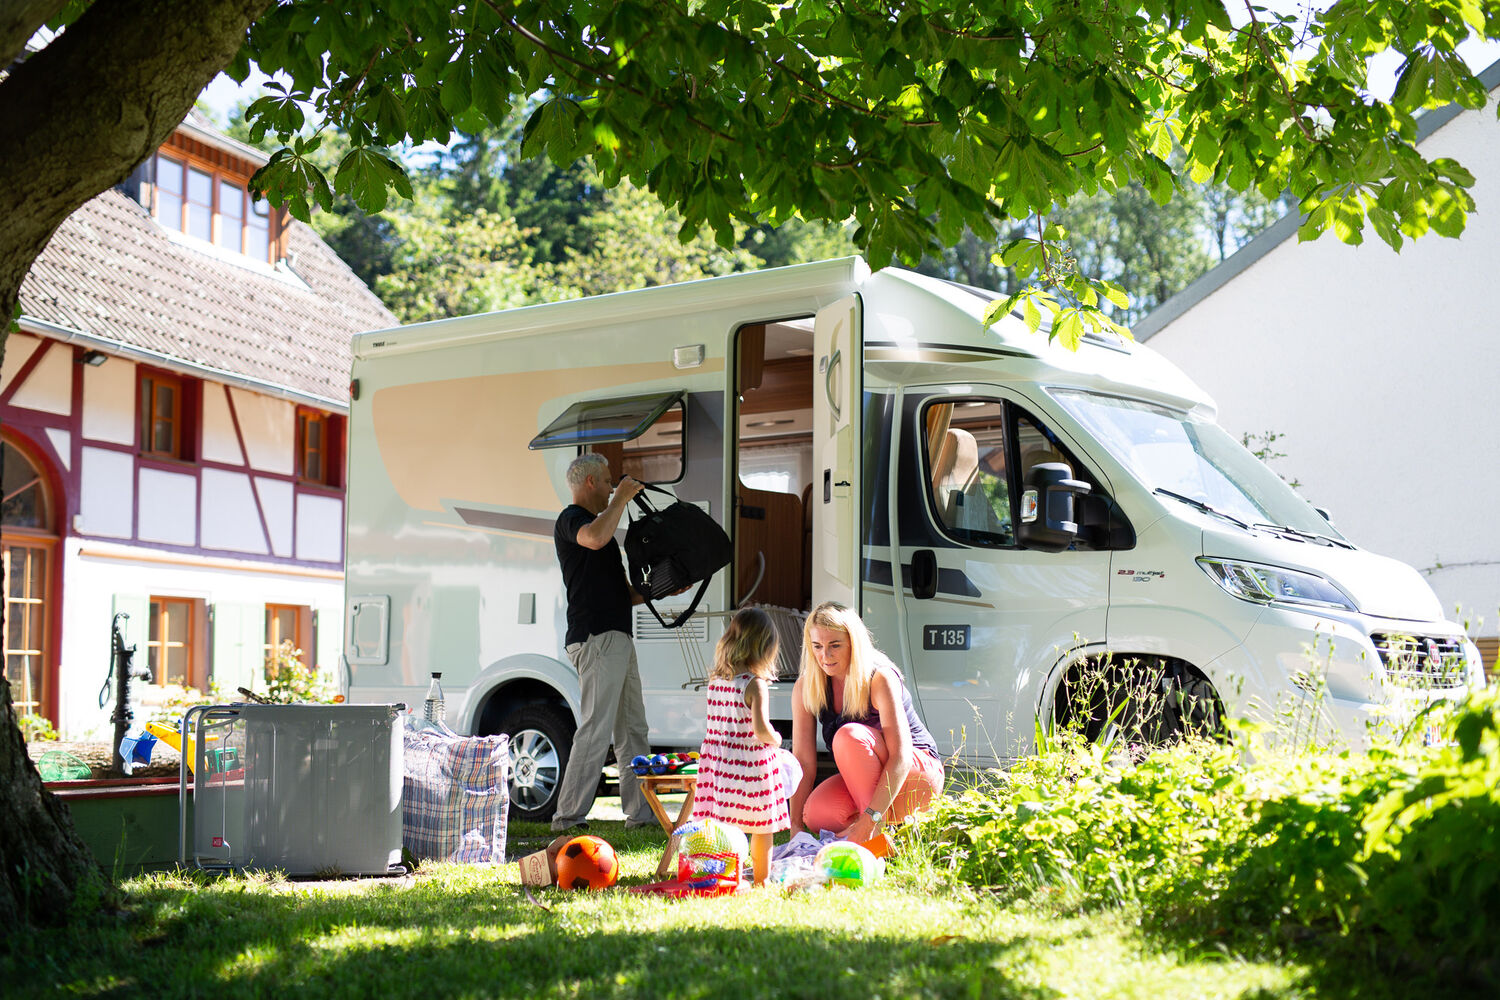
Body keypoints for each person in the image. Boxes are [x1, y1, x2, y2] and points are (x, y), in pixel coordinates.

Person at [550, 452, 656, 833]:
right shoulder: (572, 519)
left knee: (633, 730)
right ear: (590, 481)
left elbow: (623, 593)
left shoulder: (603, 530)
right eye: (609, 481)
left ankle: (641, 815)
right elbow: (594, 538)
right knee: (596, 728)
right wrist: (622, 499)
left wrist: (661, 588)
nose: (613, 487)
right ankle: (567, 818)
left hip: (616, 637)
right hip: (596, 638)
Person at [788, 602, 944, 844]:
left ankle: (874, 833)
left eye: (835, 645)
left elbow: (901, 757)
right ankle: (875, 831)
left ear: (854, 643)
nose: (825, 656)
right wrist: (796, 826)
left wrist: (871, 818)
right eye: (817, 646)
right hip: (874, 784)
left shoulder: (880, 678)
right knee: (815, 813)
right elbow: (803, 762)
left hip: (915, 775)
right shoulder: (806, 687)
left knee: (849, 736)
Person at [692, 607, 791, 887]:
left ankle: (724, 876)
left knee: (725, 826)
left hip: (722, 765)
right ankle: (761, 880)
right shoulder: (755, 685)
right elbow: (760, 730)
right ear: (765, 647)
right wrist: (777, 738)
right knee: (762, 826)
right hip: (750, 765)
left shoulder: (716, 682)